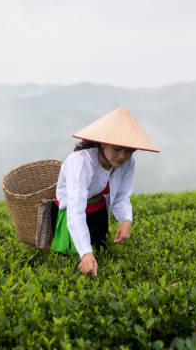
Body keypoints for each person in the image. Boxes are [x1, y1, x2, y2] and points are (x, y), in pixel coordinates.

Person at [50, 106, 159, 276]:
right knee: (70, 258)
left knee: (100, 250)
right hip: (71, 215)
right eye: (116, 148)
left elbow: (122, 196)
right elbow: (75, 210)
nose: (122, 156)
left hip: (98, 212)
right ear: (102, 142)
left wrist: (126, 220)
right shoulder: (80, 162)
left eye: (129, 150)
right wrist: (85, 253)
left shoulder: (128, 164)